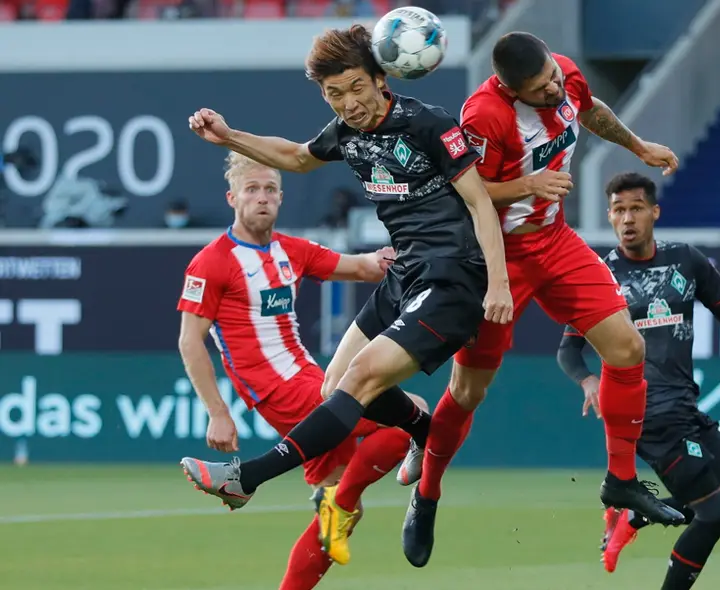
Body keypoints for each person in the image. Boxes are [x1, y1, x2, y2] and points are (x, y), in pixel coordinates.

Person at [177, 24, 514, 567]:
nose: (349, 103)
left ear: (382, 78)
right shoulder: (346, 133)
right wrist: (229, 135)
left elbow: (479, 204)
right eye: (335, 94)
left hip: (453, 277)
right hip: (404, 275)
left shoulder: (429, 124)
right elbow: (296, 156)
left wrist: (497, 283)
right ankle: (424, 432)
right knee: (335, 385)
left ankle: (249, 476)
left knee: (357, 380)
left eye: (357, 87)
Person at [397, 31, 686, 568]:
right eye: (540, 87)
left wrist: (638, 146)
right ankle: (428, 493)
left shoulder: (565, 76)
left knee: (626, 349)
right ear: (510, 90)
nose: (555, 88)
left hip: (555, 241)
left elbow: (590, 109)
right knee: (467, 389)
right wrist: (529, 184)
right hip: (494, 257)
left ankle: (621, 482)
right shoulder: (484, 115)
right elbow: (466, 191)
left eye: (554, 75)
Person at [176, 152, 427, 586]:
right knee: (414, 414)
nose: (262, 198)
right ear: (232, 197)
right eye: (252, 190)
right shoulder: (212, 262)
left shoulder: (290, 250)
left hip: (310, 379)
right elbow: (189, 340)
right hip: (283, 391)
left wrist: (404, 253)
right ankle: (274, 485)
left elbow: (365, 267)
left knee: (342, 513)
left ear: (281, 197)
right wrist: (217, 410)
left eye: (270, 189)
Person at [555, 172, 720, 588]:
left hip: (685, 406)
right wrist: (588, 382)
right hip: (646, 414)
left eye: (636, 208)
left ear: (654, 212)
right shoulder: (599, 275)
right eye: (619, 210)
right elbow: (568, 349)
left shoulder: (687, 260)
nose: (628, 218)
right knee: (714, 513)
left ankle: (636, 514)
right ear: (608, 216)